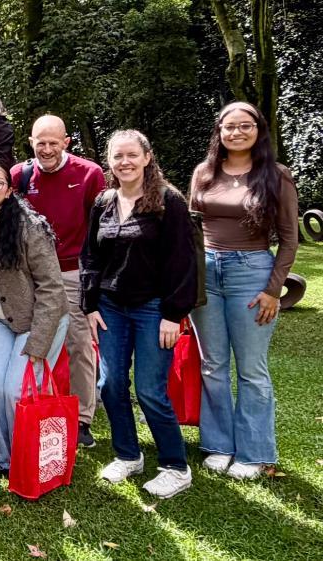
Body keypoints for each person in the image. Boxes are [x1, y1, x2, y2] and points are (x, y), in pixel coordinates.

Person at [81, 130, 198, 499]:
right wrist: (90, 305)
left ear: (147, 157)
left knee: (150, 390)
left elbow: (183, 261)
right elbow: (91, 257)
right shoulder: (104, 201)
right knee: (110, 385)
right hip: (111, 308)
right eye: (117, 156)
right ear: (110, 161)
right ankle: (128, 455)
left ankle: (175, 466)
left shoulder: (169, 201)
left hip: (154, 309)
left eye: (132, 155)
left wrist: (172, 314)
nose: (124, 162)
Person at [189, 102, 299, 479]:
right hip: (206, 272)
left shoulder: (276, 176)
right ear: (219, 132)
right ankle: (219, 444)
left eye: (244, 126)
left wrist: (273, 289)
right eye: (229, 127)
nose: (236, 133)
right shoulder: (204, 173)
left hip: (251, 273)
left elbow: (288, 238)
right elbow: (190, 229)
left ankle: (253, 452)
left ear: (258, 130)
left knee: (251, 369)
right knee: (212, 364)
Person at [0, 159, 68, 478]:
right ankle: (4, 456)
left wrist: (39, 342)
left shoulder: (27, 225)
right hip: (2, 321)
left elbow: (52, 287)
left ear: (8, 191)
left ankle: (27, 453)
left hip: (40, 320)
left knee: (17, 389)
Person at [10, 115, 106, 448]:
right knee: (33, 341)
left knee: (78, 344)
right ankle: (38, 405)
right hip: (28, 273)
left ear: (66, 141)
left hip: (71, 270)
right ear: (31, 142)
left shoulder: (90, 174)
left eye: (54, 142)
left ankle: (80, 418)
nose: (47, 149)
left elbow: (101, 228)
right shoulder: (20, 176)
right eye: (41, 143)